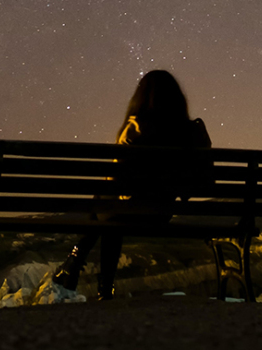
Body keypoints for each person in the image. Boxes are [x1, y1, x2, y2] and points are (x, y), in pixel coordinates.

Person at [52, 70, 211, 300]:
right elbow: (204, 180)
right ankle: (90, 275)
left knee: (106, 205)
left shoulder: (136, 128)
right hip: (161, 212)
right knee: (110, 210)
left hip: (129, 210)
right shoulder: (193, 131)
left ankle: (79, 265)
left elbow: (116, 180)